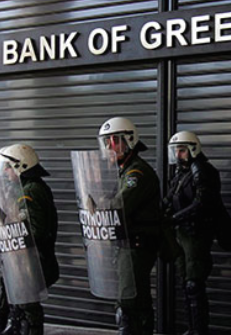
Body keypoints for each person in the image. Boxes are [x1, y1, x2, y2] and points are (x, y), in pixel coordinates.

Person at [0, 144, 59, 335]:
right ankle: (14, 325)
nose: (5, 171)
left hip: (34, 259)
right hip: (23, 258)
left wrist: (12, 231)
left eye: (8, 166)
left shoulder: (31, 191)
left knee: (29, 306)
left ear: (21, 166)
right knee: (20, 299)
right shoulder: (22, 187)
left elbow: (36, 231)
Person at [98, 117, 161, 335]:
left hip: (137, 245)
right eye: (106, 141)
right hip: (129, 244)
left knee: (127, 304)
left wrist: (99, 204)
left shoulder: (137, 173)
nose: (109, 147)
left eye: (114, 140)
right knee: (138, 299)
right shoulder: (125, 171)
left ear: (129, 141)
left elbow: (119, 204)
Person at [163, 131, 223, 335]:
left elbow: (203, 203)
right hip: (181, 234)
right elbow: (170, 198)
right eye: (175, 151)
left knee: (193, 285)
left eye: (182, 150)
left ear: (193, 149)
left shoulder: (203, 170)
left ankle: (199, 330)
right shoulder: (181, 173)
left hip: (197, 235)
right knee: (185, 283)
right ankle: (192, 328)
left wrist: (174, 218)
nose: (178, 155)